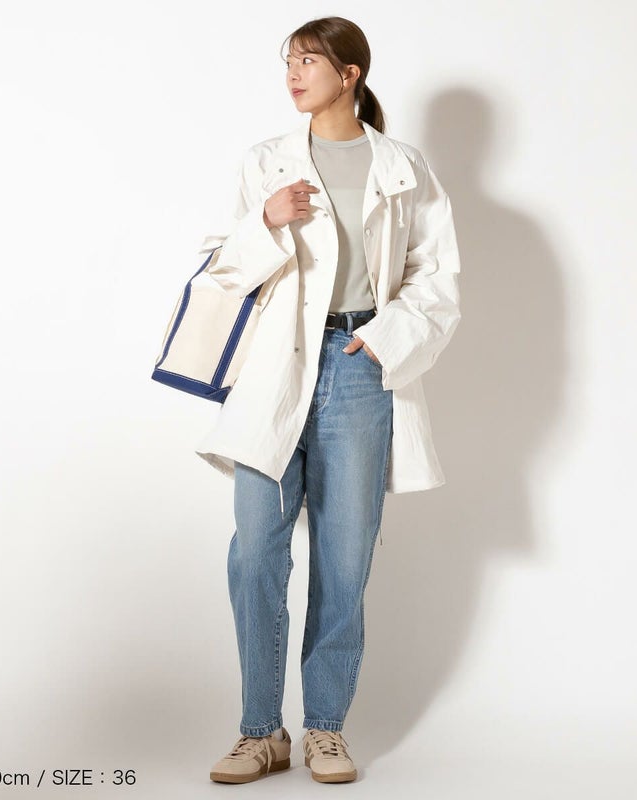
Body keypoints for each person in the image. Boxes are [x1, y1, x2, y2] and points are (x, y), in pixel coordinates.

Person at [196, 16, 462, 784]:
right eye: (290, 60)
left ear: (350, 75)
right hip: (275, 370)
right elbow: (220, 270)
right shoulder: (265, 164)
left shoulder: (402, 166)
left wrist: (384, 339)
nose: (294, 73)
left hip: (357, 368)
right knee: (255, 552)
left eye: (310, 60)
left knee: (344, 560)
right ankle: (259, 733)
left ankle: (324, 729)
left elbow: (437, 275)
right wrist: (267, 223)